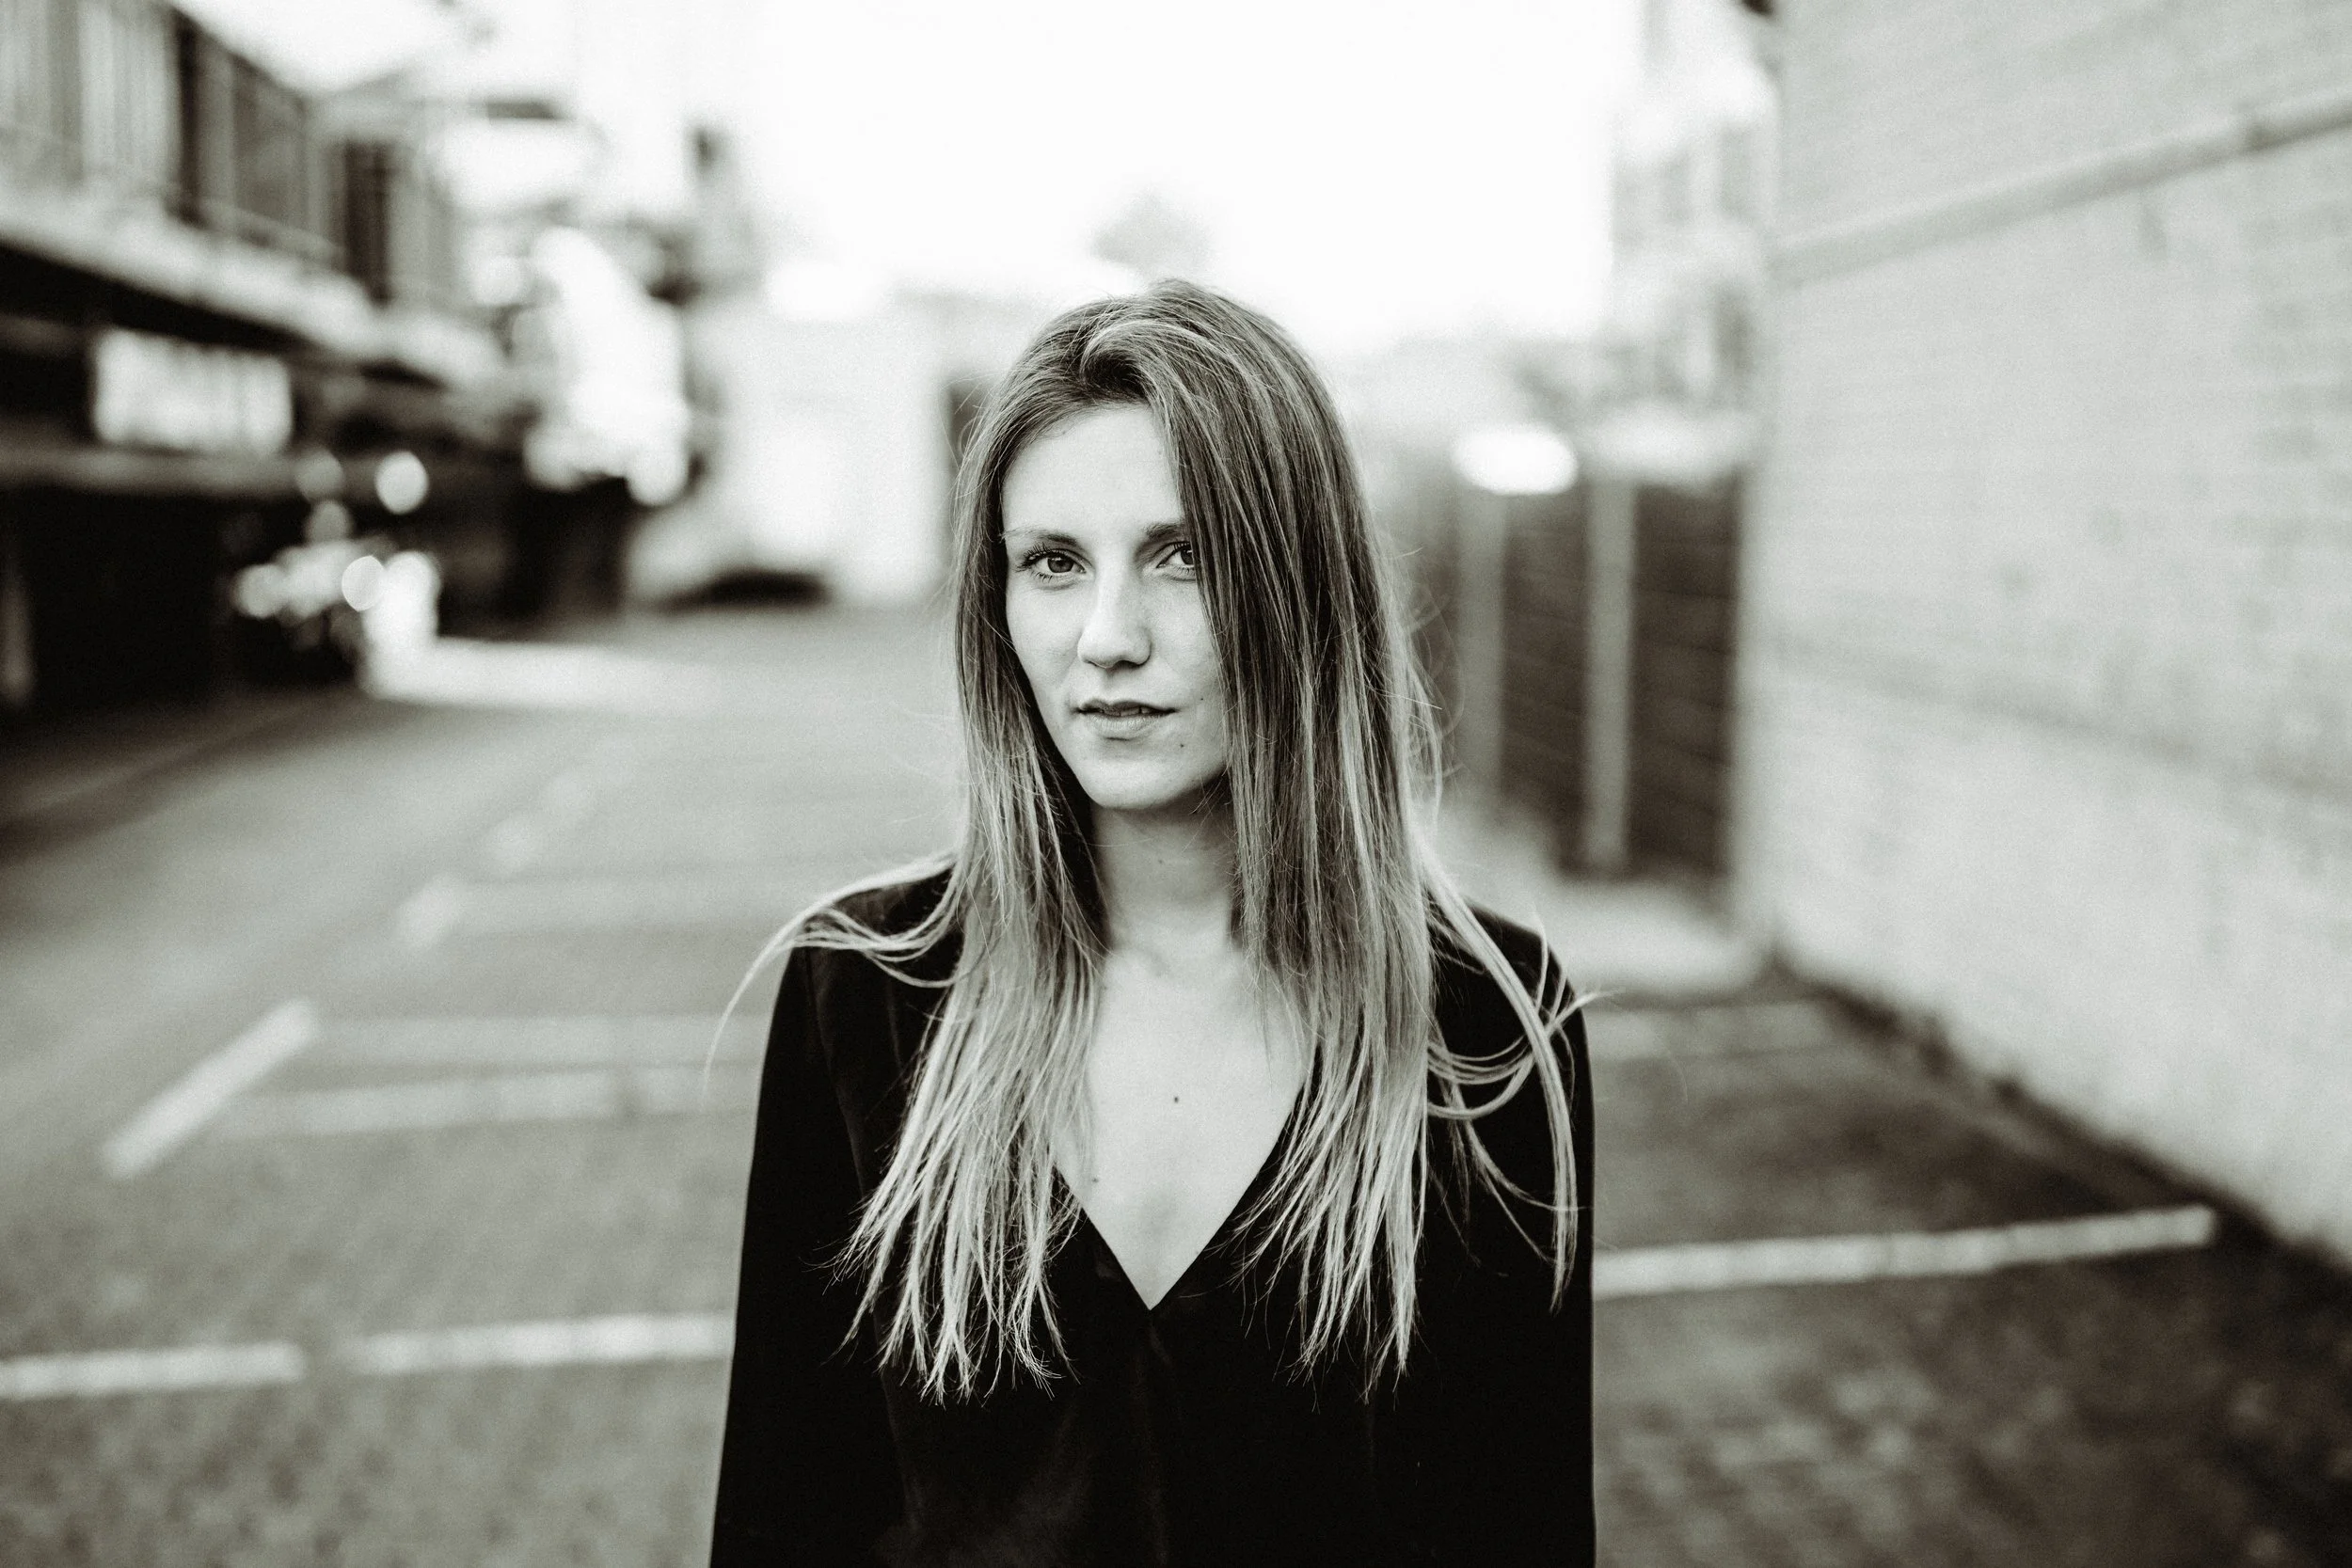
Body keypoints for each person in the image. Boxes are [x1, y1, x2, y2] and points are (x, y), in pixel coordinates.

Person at [710, 280, 1593, 1567]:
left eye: (1183, 557)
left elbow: (1523, 1531)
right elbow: (783, 1521)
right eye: (1053, 562)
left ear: (1301, 587)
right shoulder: (868, 993)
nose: (1107, 639)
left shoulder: (1487, 1027)